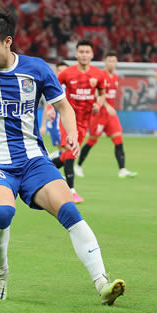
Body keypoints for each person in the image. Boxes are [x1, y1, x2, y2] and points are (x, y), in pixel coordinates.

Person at [0, 7, 125, 305]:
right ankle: (0, 272)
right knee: (2, 213)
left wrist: (72, 133)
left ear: (7, 41)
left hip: (34, 160)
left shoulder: (37, 69)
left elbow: (63, 106)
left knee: (69, 211)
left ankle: (102, 283)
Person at [51, 40, 107, 203]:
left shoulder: (99, 74)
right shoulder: (67, 73)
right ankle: (71, 192)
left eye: (87, 52)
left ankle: (40, 172)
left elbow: (102, 94)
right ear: (76, 54)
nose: (84, 55)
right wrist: (50, 109)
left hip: (84, 122)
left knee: (68, 155)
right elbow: (52, 90)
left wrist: (99, 104)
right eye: (81, 52)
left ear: (92, 54)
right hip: (68, 120)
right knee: (70, 151)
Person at [75, 51, 137, 178]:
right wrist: (107, 106)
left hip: (111, 116)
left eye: (114, 61)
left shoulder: (115, 77)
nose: (111, 63)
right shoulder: (100, 75)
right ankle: (78, 166)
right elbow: (96, 93)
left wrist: (110, 108)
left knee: (118, 139)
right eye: (109, 61)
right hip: (99, 115)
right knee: (92, 141)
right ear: (105, 62)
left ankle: (122, 169)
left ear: (117, 62)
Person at [40, 61, 68, 158]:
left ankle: (53, 160)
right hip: (56, 123)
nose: (61, 73)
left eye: (64, 71)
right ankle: (53, 160)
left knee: (67, 150)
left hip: (67, 123)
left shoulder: (71, 86)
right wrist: (43, 125)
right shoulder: (53, 86)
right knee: (64, 150)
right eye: (59, 71)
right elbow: (47, 106)